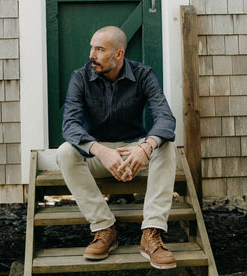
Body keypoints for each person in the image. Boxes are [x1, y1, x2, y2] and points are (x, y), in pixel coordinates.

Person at [56, 26, 177, 270]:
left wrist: (144, 148)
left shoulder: (143, 75)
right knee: (64, 152)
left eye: (99, 49)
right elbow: (69, 125)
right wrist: (100, 150)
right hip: (99, 155)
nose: (92, 55)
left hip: (134, 153)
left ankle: (151, 234)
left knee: (166, 147)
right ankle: (104, 228)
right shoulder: (80, 77)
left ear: (119, 54)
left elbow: (166, 118)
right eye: (92, 47)